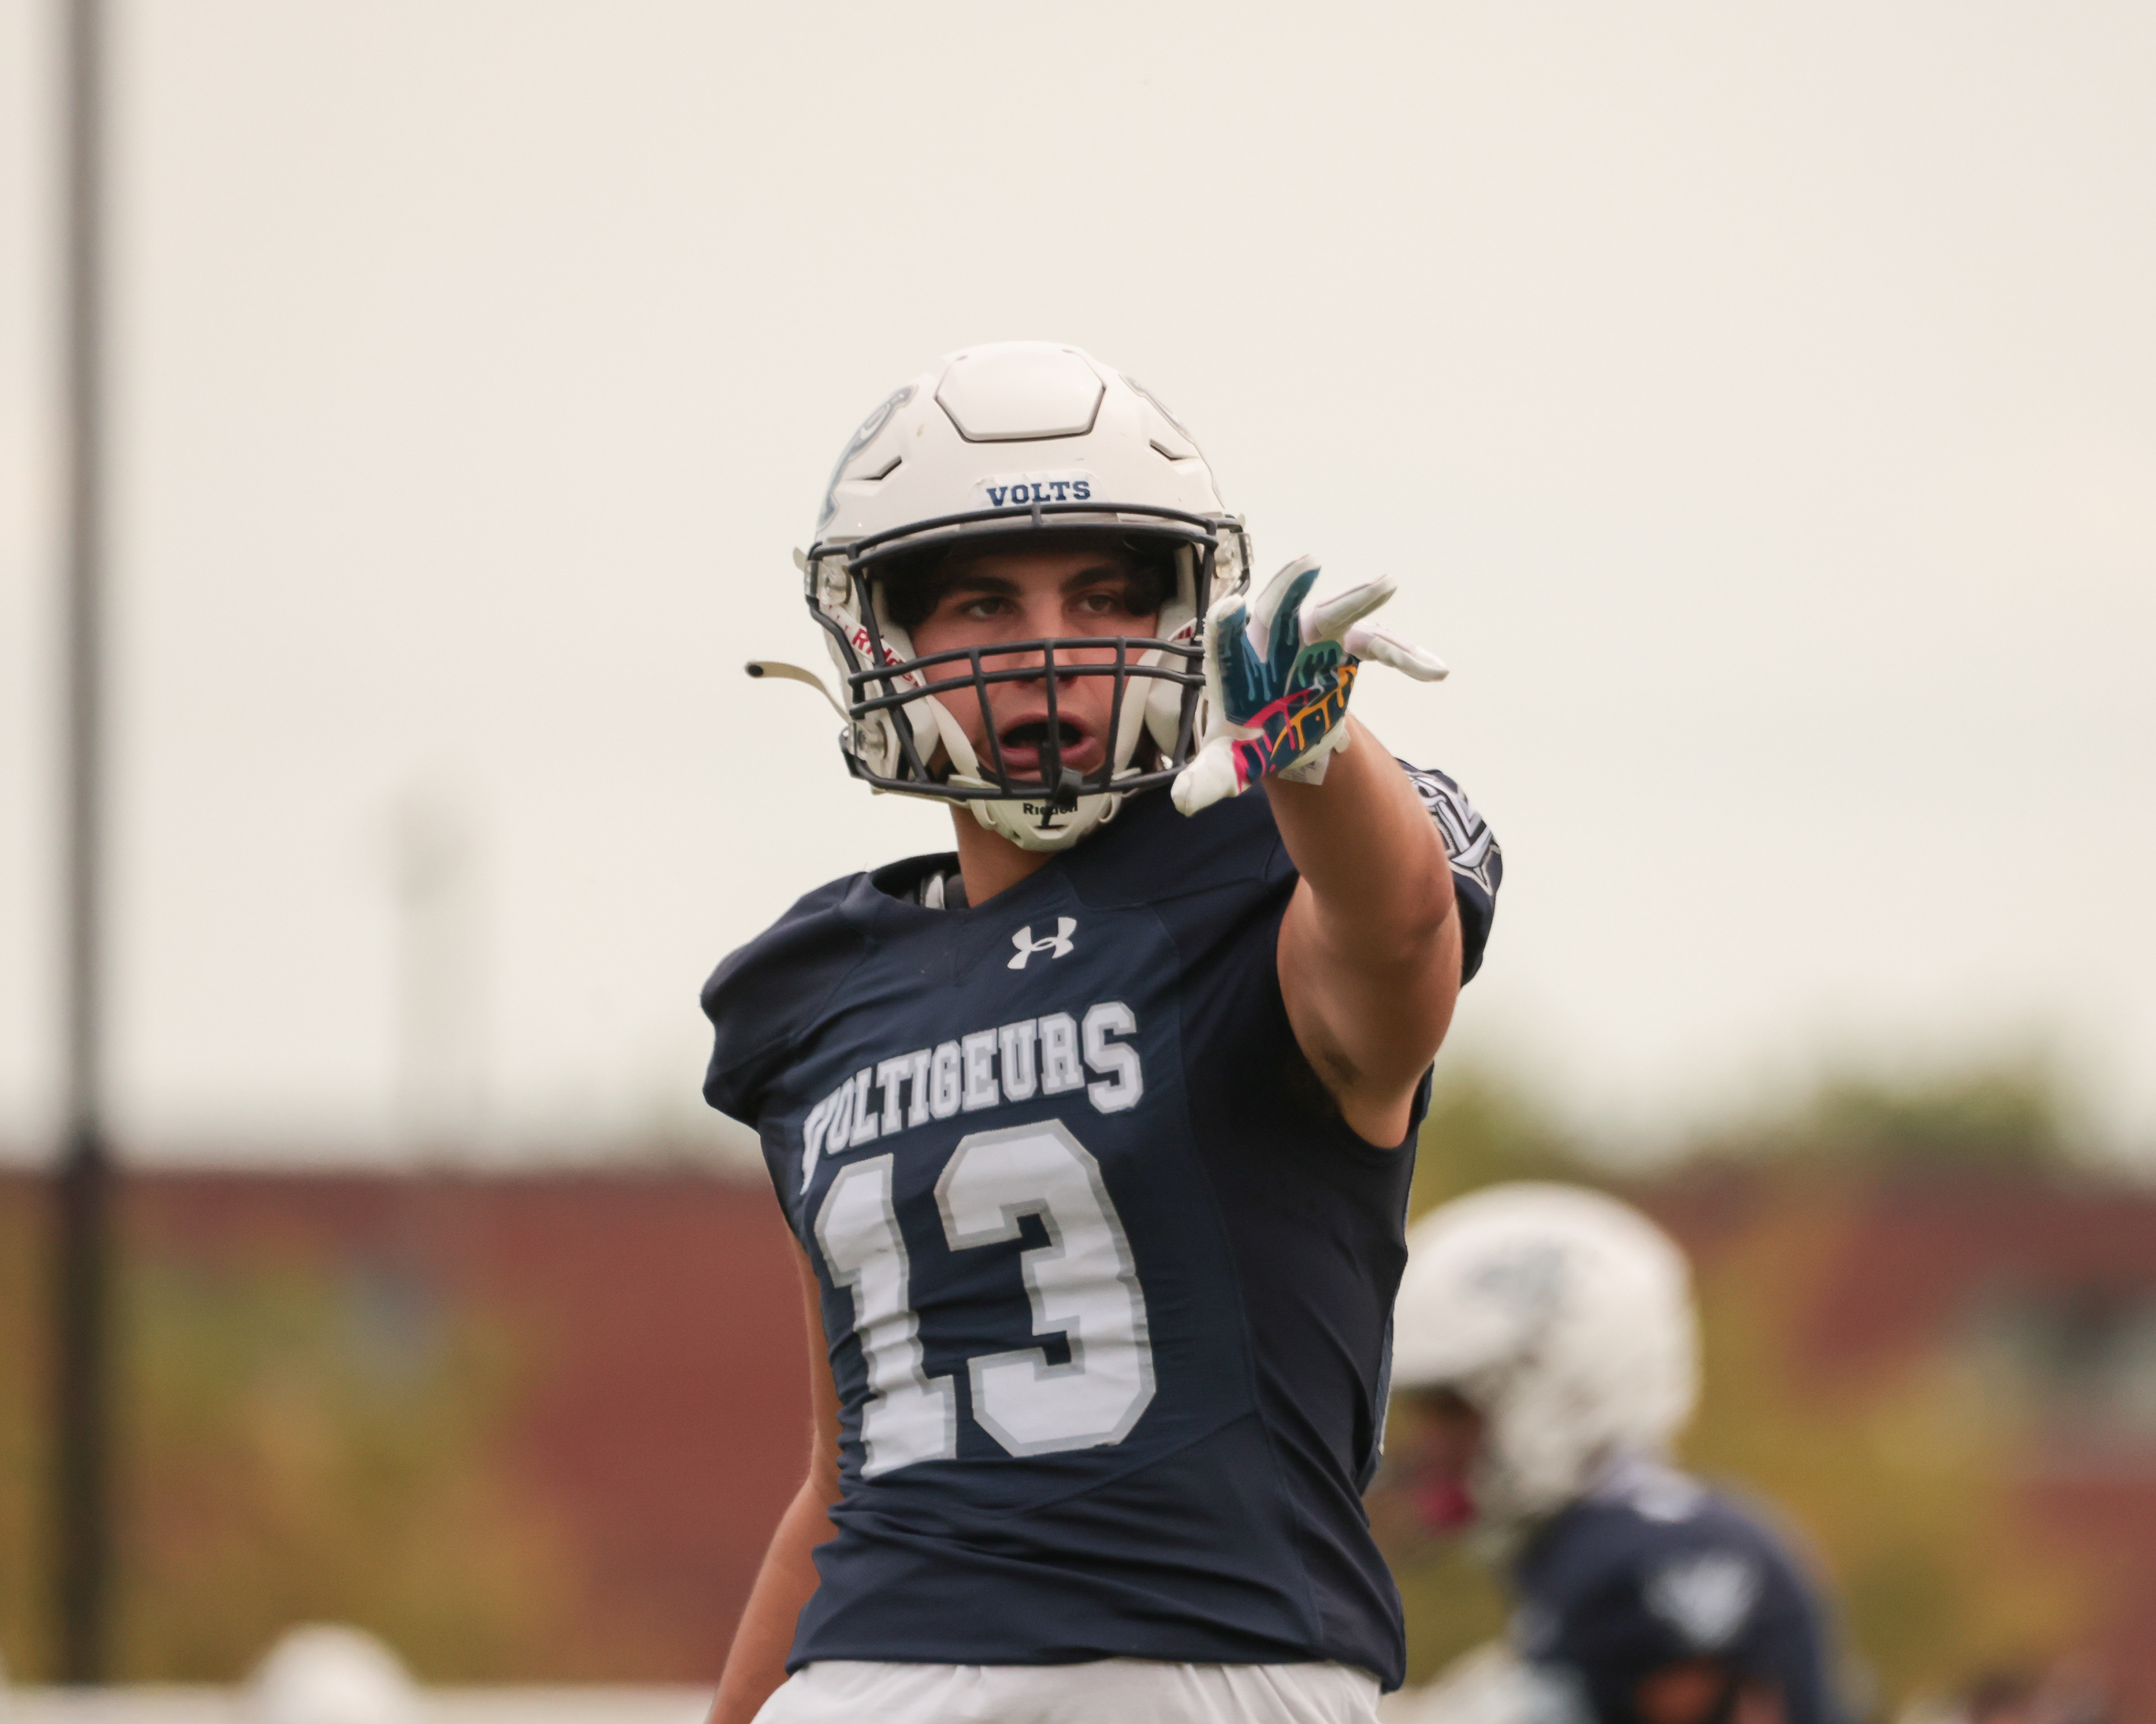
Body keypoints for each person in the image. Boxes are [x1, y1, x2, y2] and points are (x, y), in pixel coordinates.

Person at [698, 341, 1503, 1724]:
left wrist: (1321, 754)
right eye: (981, 603)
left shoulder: (1264, 875)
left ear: (1186, 613)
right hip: (873, 1665)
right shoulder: (812, 985)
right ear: (881, 636)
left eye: (1106, 595)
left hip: (1200, 1661)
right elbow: (843, 1472)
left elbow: (1398, 943)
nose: (1047, 651)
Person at [1376, 1185, 1848, 1724]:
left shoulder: (1655, 1556)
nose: (1429, 1443)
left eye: (1452, 1408)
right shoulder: (1585, 1545)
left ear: (1557, 1381)